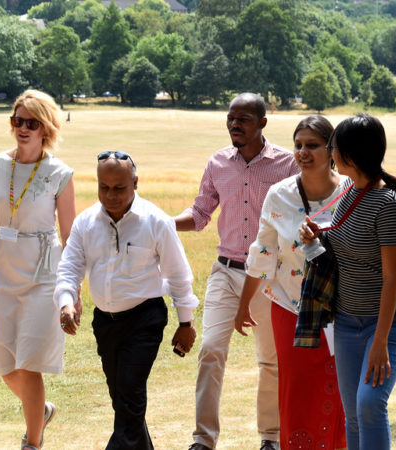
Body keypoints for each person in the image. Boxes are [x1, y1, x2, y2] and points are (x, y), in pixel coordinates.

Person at [175, 93, 298, 450]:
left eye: (243, 119)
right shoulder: (217, 162)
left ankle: (271, 438)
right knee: (211, 349)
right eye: (231, 118)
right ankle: (203, 439)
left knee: (271, 360)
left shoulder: (286, 164)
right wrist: (162, 224)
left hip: (270, 276)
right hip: (226, 271)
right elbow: (200, 215)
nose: (234, 125)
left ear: (262, 123)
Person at [56, 152, 199, 449]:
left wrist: (186, 322)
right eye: (103, 187)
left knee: (129, 394)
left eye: (119, 188)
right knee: (123, 400)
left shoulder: (156, 221)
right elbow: (69, 267)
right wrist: (67, 302)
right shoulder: (85, 222)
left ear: (135, 182)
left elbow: (178, 275)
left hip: (145, 319)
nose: (110, 195)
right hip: (105, 322)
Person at [300, 113, 396, 450]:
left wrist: (380, 342)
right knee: (352, 411)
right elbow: (340, 246)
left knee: (369, 403)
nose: (331, 153)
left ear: (352, 154)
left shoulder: (389, 205)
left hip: (388, 322)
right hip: (348, 320)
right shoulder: (349, 191)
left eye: (335, 147)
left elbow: (393, 277)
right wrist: (315, 237)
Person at [0, 89, 76, 450]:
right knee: (7, 367)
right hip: (5, 272)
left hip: (45, 275)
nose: (23, 128)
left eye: (32, 122)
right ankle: (40, 410)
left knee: (30, 364)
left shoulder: (59, 173)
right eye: (18, 121)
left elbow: (69, 234)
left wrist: (71, 289)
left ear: (46, 127)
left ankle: (32, 442)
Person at [234, 115, 347, 450]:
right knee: (296, 390)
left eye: (312, 145)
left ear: (331, 150)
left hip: (342, 311)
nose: (303, 152)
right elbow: (262, 254)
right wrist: (243, 306)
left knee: (338, 389)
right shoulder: (278, 195)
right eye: (298, 145)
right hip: (290, 308)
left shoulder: (351, 193)